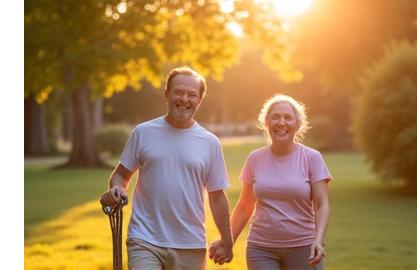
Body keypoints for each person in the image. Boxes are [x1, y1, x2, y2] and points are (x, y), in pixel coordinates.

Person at [100, 66, 233, 270]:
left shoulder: (210, 142)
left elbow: (216, 197)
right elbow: (120, 175)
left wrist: (227, 241)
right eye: (178, 92)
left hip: (190, 244)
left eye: (192, 95)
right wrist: (117, 189)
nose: (184, 99)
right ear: (167, 95)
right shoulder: (143, 132)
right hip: (144, 239)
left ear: (199, 100)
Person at [209, 94, 332, 269]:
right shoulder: (255, 158)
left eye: (288, 117)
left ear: (297, 124)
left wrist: (318, 241)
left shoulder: (312, 158)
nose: (281, 122)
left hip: (304, 248)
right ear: (266, 123)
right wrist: (227, 242)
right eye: (275, 117)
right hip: (261, 249)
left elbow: (322, 204)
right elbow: (244, 206)